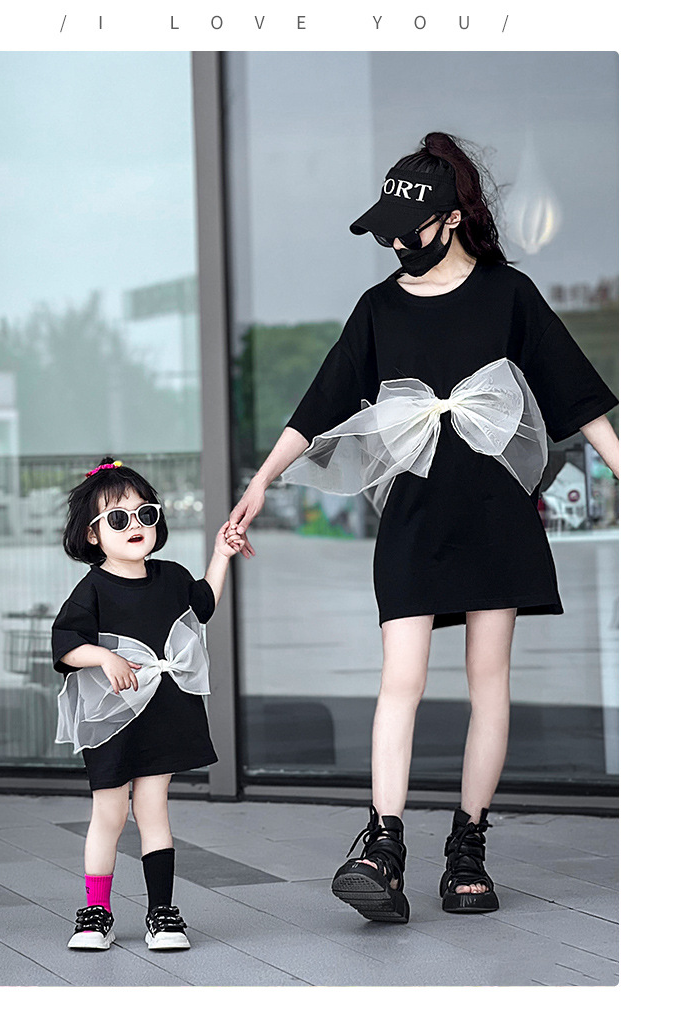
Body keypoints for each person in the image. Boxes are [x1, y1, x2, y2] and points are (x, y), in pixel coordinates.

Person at [228, 132, 619, 924]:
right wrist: (261, 480)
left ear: (450, 219)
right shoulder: (378, 308)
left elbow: (578, 396)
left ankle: (467, 848)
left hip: (494, 516)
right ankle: (383, 846)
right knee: (399, 680)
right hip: (413, 518)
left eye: (407, 231)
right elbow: (321, 402)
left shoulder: (509, 295)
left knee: (488, 682)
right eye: (387, 235)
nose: (396, 245)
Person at [52, 458, 243, 950]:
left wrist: (221, 554)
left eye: (146, 514)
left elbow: (203, 603)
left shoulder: (172, 576)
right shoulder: (92, 588)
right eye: (118, 518)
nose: (135, 525)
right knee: (110, 812)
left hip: (163, 711)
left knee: (154, 808)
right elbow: (65, 644)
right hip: (114, 718)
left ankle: (162, 913)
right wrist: (103, 656)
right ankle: (96, 912)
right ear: (93, 535)